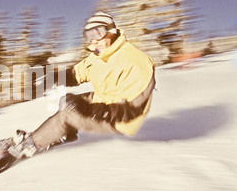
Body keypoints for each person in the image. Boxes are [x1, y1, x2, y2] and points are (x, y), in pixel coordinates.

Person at [8, 11, 156, 159]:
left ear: (111, 31)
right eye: (89, 36)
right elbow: (78, 73)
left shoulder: (136, 61)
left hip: (120, 119)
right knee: (67, 101)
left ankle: (32, 144)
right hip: (103, 101)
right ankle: (64, 134)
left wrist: (96, 111)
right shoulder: (99, 55)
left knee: (68, 114)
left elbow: (132, 109)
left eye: (98, 33)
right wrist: (53, 78)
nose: (94, 40)